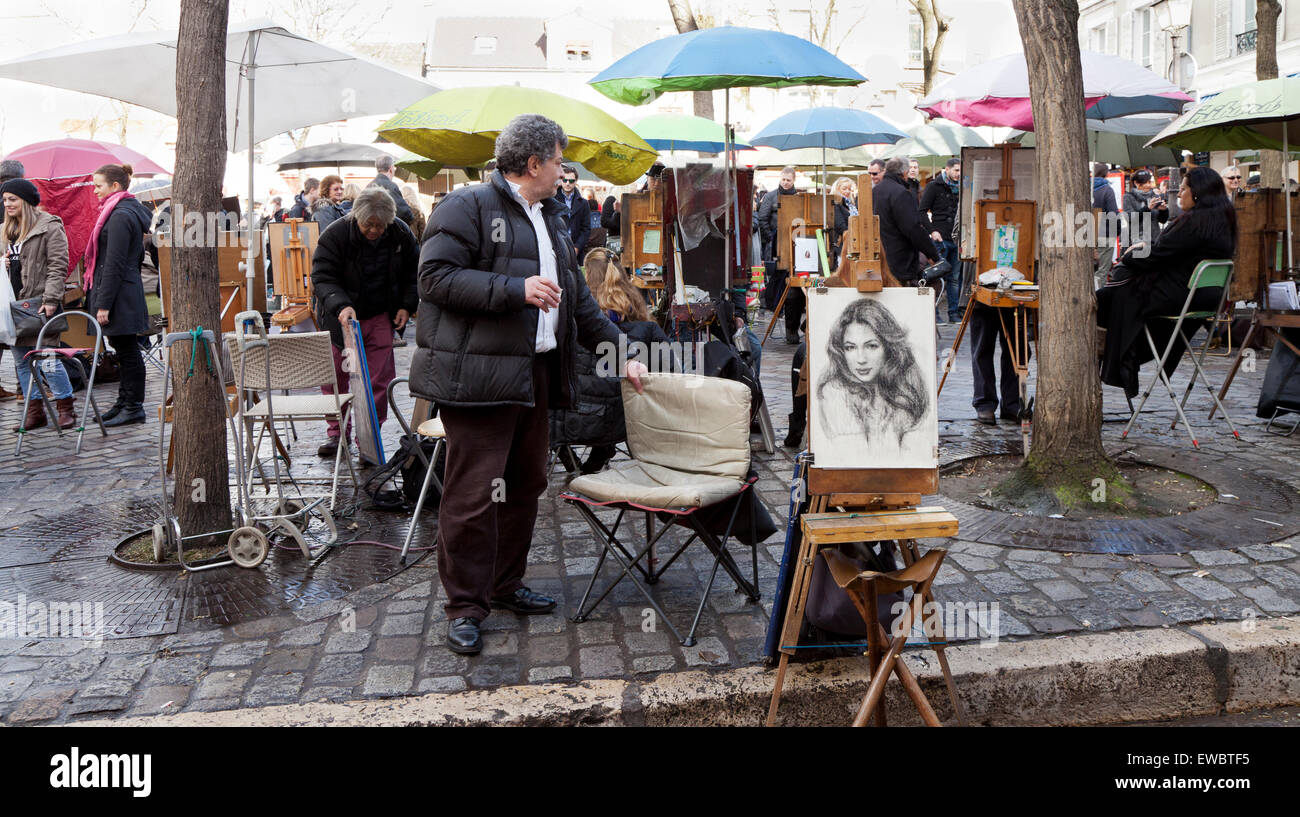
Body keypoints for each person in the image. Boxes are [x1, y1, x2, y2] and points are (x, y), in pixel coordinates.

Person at [412, 113, 647, 655]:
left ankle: (504, 585)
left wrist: (621, 351)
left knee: (524, 486)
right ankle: (466, 606)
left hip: (535, 373)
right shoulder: (466, 205)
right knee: (473, 495)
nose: (565, 172)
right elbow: (434, 278)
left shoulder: (551, 218)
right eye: (561, 161)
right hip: (479, 378)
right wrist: (513, 289)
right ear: (535, 162)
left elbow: (579, 302)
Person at [1097, 166, 1237, 398]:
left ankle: (1123, 361)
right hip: (1206, 297)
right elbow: (1170, 253)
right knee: (1117, 295)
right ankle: (1125, 358)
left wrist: (1132, 253)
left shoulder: (1194, 221)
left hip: (1181, 294)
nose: (1179, 194)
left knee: (1105, 299)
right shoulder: (1223, 219)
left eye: (1183, 189)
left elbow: (1158, 256)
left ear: (1198, 193)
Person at [310, 187, 419, 460]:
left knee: (378, 380)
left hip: (381, 315)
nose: (374, 230)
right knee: (337, 376)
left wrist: (407, 305)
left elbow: (414, 272)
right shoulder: (334, 235)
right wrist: (341, 304)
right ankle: (337, 434)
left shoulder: (400, 233)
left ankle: (369, 437)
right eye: (368, 224)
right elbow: (322, 277)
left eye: (380, 226)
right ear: (355, 217)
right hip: (341, 319)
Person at [550, 247, 671, 475]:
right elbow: (671, 374)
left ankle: (573, 460)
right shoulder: (647, 330)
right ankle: (596, 456)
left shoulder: (565, 326)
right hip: (618, 426)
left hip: (565, 423)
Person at [2, 178, 75, 430]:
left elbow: (58, 265)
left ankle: (66, 407)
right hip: (11, 304)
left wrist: (52, 299)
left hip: (40, 302)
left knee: (48, 358)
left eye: (12, 199)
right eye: (5, 200)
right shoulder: (5, 230)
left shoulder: (49, 226)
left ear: (27, 201)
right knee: (22, 361)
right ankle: (35, 411)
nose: (7, 204)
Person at [815, 298, 930, 459]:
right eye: (850, 347)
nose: (861, 359)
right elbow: (856, 460)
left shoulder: (907, 385)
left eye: (871, 346)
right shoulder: (835, 392)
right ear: (842, 351)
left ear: (889, 347)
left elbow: (915, 457)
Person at [84, 163, 152, 427]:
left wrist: (104, 303)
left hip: (120, 294)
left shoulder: (121, 215)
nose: (95, 191)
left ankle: (133, 406)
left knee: (128, 351)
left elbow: (114, 262)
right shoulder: (117, 212)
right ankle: (124, 402)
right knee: (123, 350)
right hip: (122, 290)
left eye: (98, 185)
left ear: (115, 186)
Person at [874, 157, 940, 284]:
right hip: (899, 259)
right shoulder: (900, 193)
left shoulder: (876, 190)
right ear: (904, 173)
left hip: (879, 256)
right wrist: (932, 254)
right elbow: (912, 228)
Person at [757, 165, 803, 343]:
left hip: (795, 247)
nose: (785, 182)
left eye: (788, 180)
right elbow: (762, 219)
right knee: (778, 284)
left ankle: (792, 326)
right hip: (775, 249)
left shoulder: (799, 198)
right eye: (783, 179)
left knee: (792, 287)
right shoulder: (770, 196)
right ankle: (777, 309)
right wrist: (771, 239)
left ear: (793, 180)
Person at [920, 158, 963, 323]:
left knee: (954, 278)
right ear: (947, 169)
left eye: (960, 171)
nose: (959, 174)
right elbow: (922, 211)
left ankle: (953, 314)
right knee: (937, 276)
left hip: (957, 238)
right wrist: (932, 231)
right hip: (940, 238)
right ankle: (935, 315)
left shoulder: (962, 187)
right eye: (956, 170)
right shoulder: (934, 186)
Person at [0, 159, 26, 400]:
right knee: (21, 336)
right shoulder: (13, 204)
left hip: (6, 282)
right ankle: (24, 389)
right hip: (12, 282)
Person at [1121, 169, 1169, 251]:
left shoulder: (1155, 196)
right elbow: (1130, 218)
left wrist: (1163, 210)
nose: (1149, 185)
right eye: (1146, 182)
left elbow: (1162, 220)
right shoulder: (1128, 197)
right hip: (1136, 242)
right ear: (1136, 183)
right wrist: (1148, 208)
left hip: (1154, 240)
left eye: (1150, 182)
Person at [369, 154, 414, 225]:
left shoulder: (369, 186)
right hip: (388, 231)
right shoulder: (391, 186)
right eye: (394, 168)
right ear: (391, 169)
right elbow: (406, 214)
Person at [554, 164, 591, 252]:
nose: (567, 183)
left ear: (575, 181)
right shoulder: (552, 200)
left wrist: (577, 247)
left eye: (571, 181)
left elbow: (586, 229)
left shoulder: (584, 203)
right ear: (561, 180)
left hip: (576, 248)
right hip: (557, 247)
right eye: (565, 180)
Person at [1093, 162, 1120, 275]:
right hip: (1105, 234)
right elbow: (1113, 214)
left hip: (1086, 233)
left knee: (1087, 270)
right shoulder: (1107, 190)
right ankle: (1097, 292)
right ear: (1106, 174)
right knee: (1102, 271)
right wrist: (1118, 230)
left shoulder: (1085, 188)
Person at [827, 177, 858, 266]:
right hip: (842, 244)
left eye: (849, 189)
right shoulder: (836, 204)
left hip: (852, 242)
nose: (847, 191)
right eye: (844, 189)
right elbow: (840, 225)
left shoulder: (850, 204)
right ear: (837, 189)